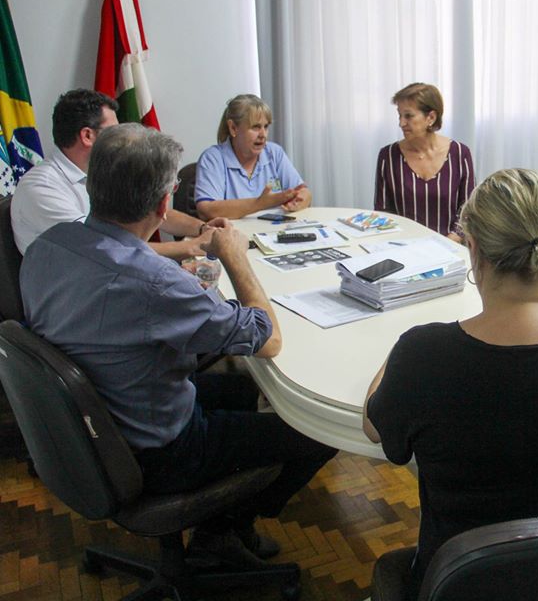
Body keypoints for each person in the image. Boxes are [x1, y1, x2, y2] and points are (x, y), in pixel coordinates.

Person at [20, 124, 337, 568]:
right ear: (163, 204)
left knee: (258, 393)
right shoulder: (155, 283)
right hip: (161, 450)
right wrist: (235, 257)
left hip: (98, 421)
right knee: (318, 428)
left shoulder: (47, 247)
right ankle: (222, 530)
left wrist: (180, 293)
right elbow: (267, 338)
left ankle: (222, 526)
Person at [363, 168, 538, 599]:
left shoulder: (424, 353)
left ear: (474, 248)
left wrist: (398, 350)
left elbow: (376, 428)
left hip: (463, 585)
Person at [11, 89, 217, 259]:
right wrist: (192, 247)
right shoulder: (41, 187)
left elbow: (150, 209)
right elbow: (106, 246)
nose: (122, 139)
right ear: (87, 135)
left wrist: (204, 229)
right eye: (114, 131)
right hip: (72, 291)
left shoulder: (104, 172)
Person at [374, 83, 475, 242]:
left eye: (408, 116)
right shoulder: (388, 156)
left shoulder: (460, 153)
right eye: (400, 115)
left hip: (451, 247)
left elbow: (468, 210)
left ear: (431, 117)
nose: (401, 123)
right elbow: (383, 212)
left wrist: (447, 243)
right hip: (403, 248)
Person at [194, 94, 311, 220]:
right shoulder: (213, 158)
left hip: (274, 230)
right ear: (233, 128)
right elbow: (206, 210)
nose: (263, 134)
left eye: (266, 127)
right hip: (234, 231)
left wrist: (300, 201)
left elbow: (304, 192)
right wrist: (260, 203)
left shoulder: (274, 153)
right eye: (255, 127)